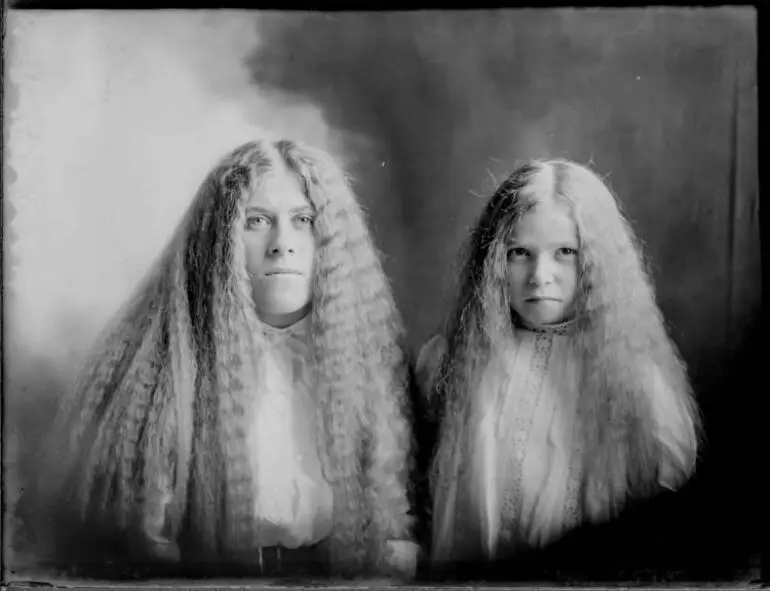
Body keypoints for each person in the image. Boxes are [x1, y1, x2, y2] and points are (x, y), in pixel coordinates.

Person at [42, 138, 419, 580]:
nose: (283, 244)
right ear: (220, 239)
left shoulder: (376, 370)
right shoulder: (157, 377)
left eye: (304, 220)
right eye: (257, 221)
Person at [416, 159, 700, 577]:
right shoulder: (448, 362)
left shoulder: (640, 384)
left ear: (597, 263)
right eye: (518, 254)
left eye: (565, 253)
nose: (540, 276)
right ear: (492, 261)